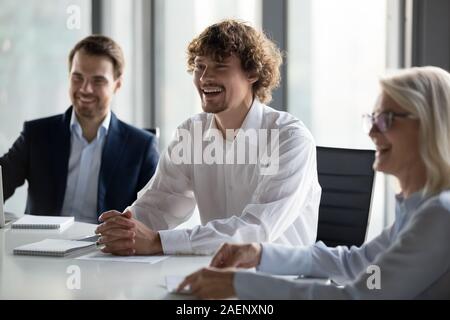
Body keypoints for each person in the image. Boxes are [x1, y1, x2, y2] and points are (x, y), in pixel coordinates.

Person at [178, 66, 450, 299]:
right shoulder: (418, 209)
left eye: (386, 119)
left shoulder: (440, 216)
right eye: (372, 118)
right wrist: (260, 253)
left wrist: (238, 284)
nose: (372, 130)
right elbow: (358, 263)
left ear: (428, 126)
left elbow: (357, 296)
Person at [95, 19, 321, 256]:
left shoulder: (290, 139)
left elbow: (256, 230)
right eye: (200, 66)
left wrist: (157, 242)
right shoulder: (191, 133)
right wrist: (125, 227)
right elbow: (161, 204)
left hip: (281, 282)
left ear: (252, 72)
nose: (204, 78)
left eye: (220, 67)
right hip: (214, 273)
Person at [0, 35, 159, 224]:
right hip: (40, 248)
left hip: (104, 251)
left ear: (117, 84)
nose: (85, 89)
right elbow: (3, 181)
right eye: (78, 78)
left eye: (98, 81)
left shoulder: (141, 147)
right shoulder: (36, 135)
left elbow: (154, 218)